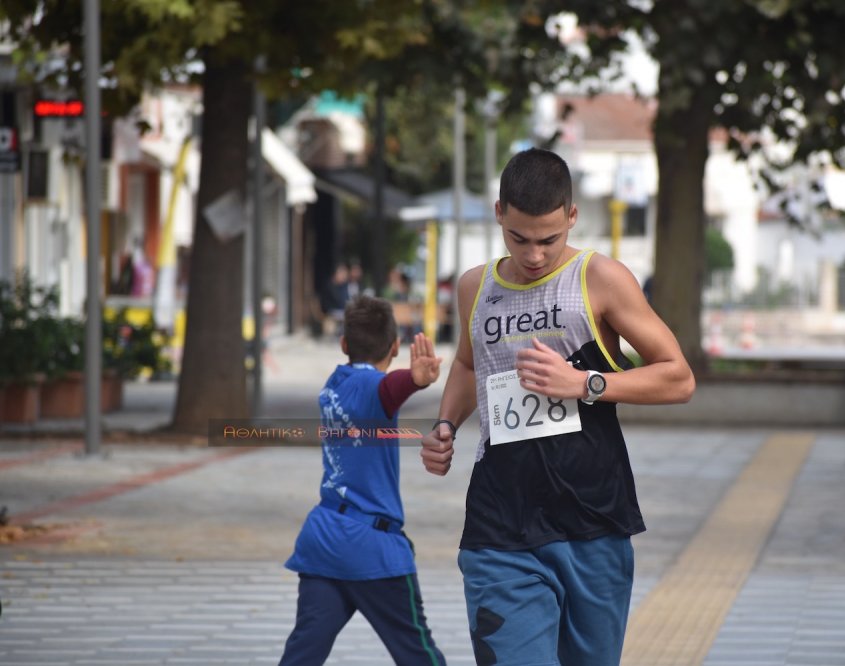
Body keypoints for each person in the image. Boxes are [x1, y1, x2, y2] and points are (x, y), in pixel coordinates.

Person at [419, 148, 695, 665]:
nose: (535, 254)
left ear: (572, 216)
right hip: (499, 522)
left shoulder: (600, 279)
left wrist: (585, 383)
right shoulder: (476, 287)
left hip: (592, 519)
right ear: (499, 213)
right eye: (519, 238)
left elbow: (678, 378)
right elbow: (468, 364)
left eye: (549, 239)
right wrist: (445, 425)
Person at [279, 296, 446, 666]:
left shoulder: (335, 383)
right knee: (418, 653)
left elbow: (381, 388)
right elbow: (387, 389)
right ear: (396, 347)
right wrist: (414, 381)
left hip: (324, 538)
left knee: (303, 654)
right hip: (372, 548)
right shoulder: (375, 390)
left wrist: (406, 381)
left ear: (343, 345)